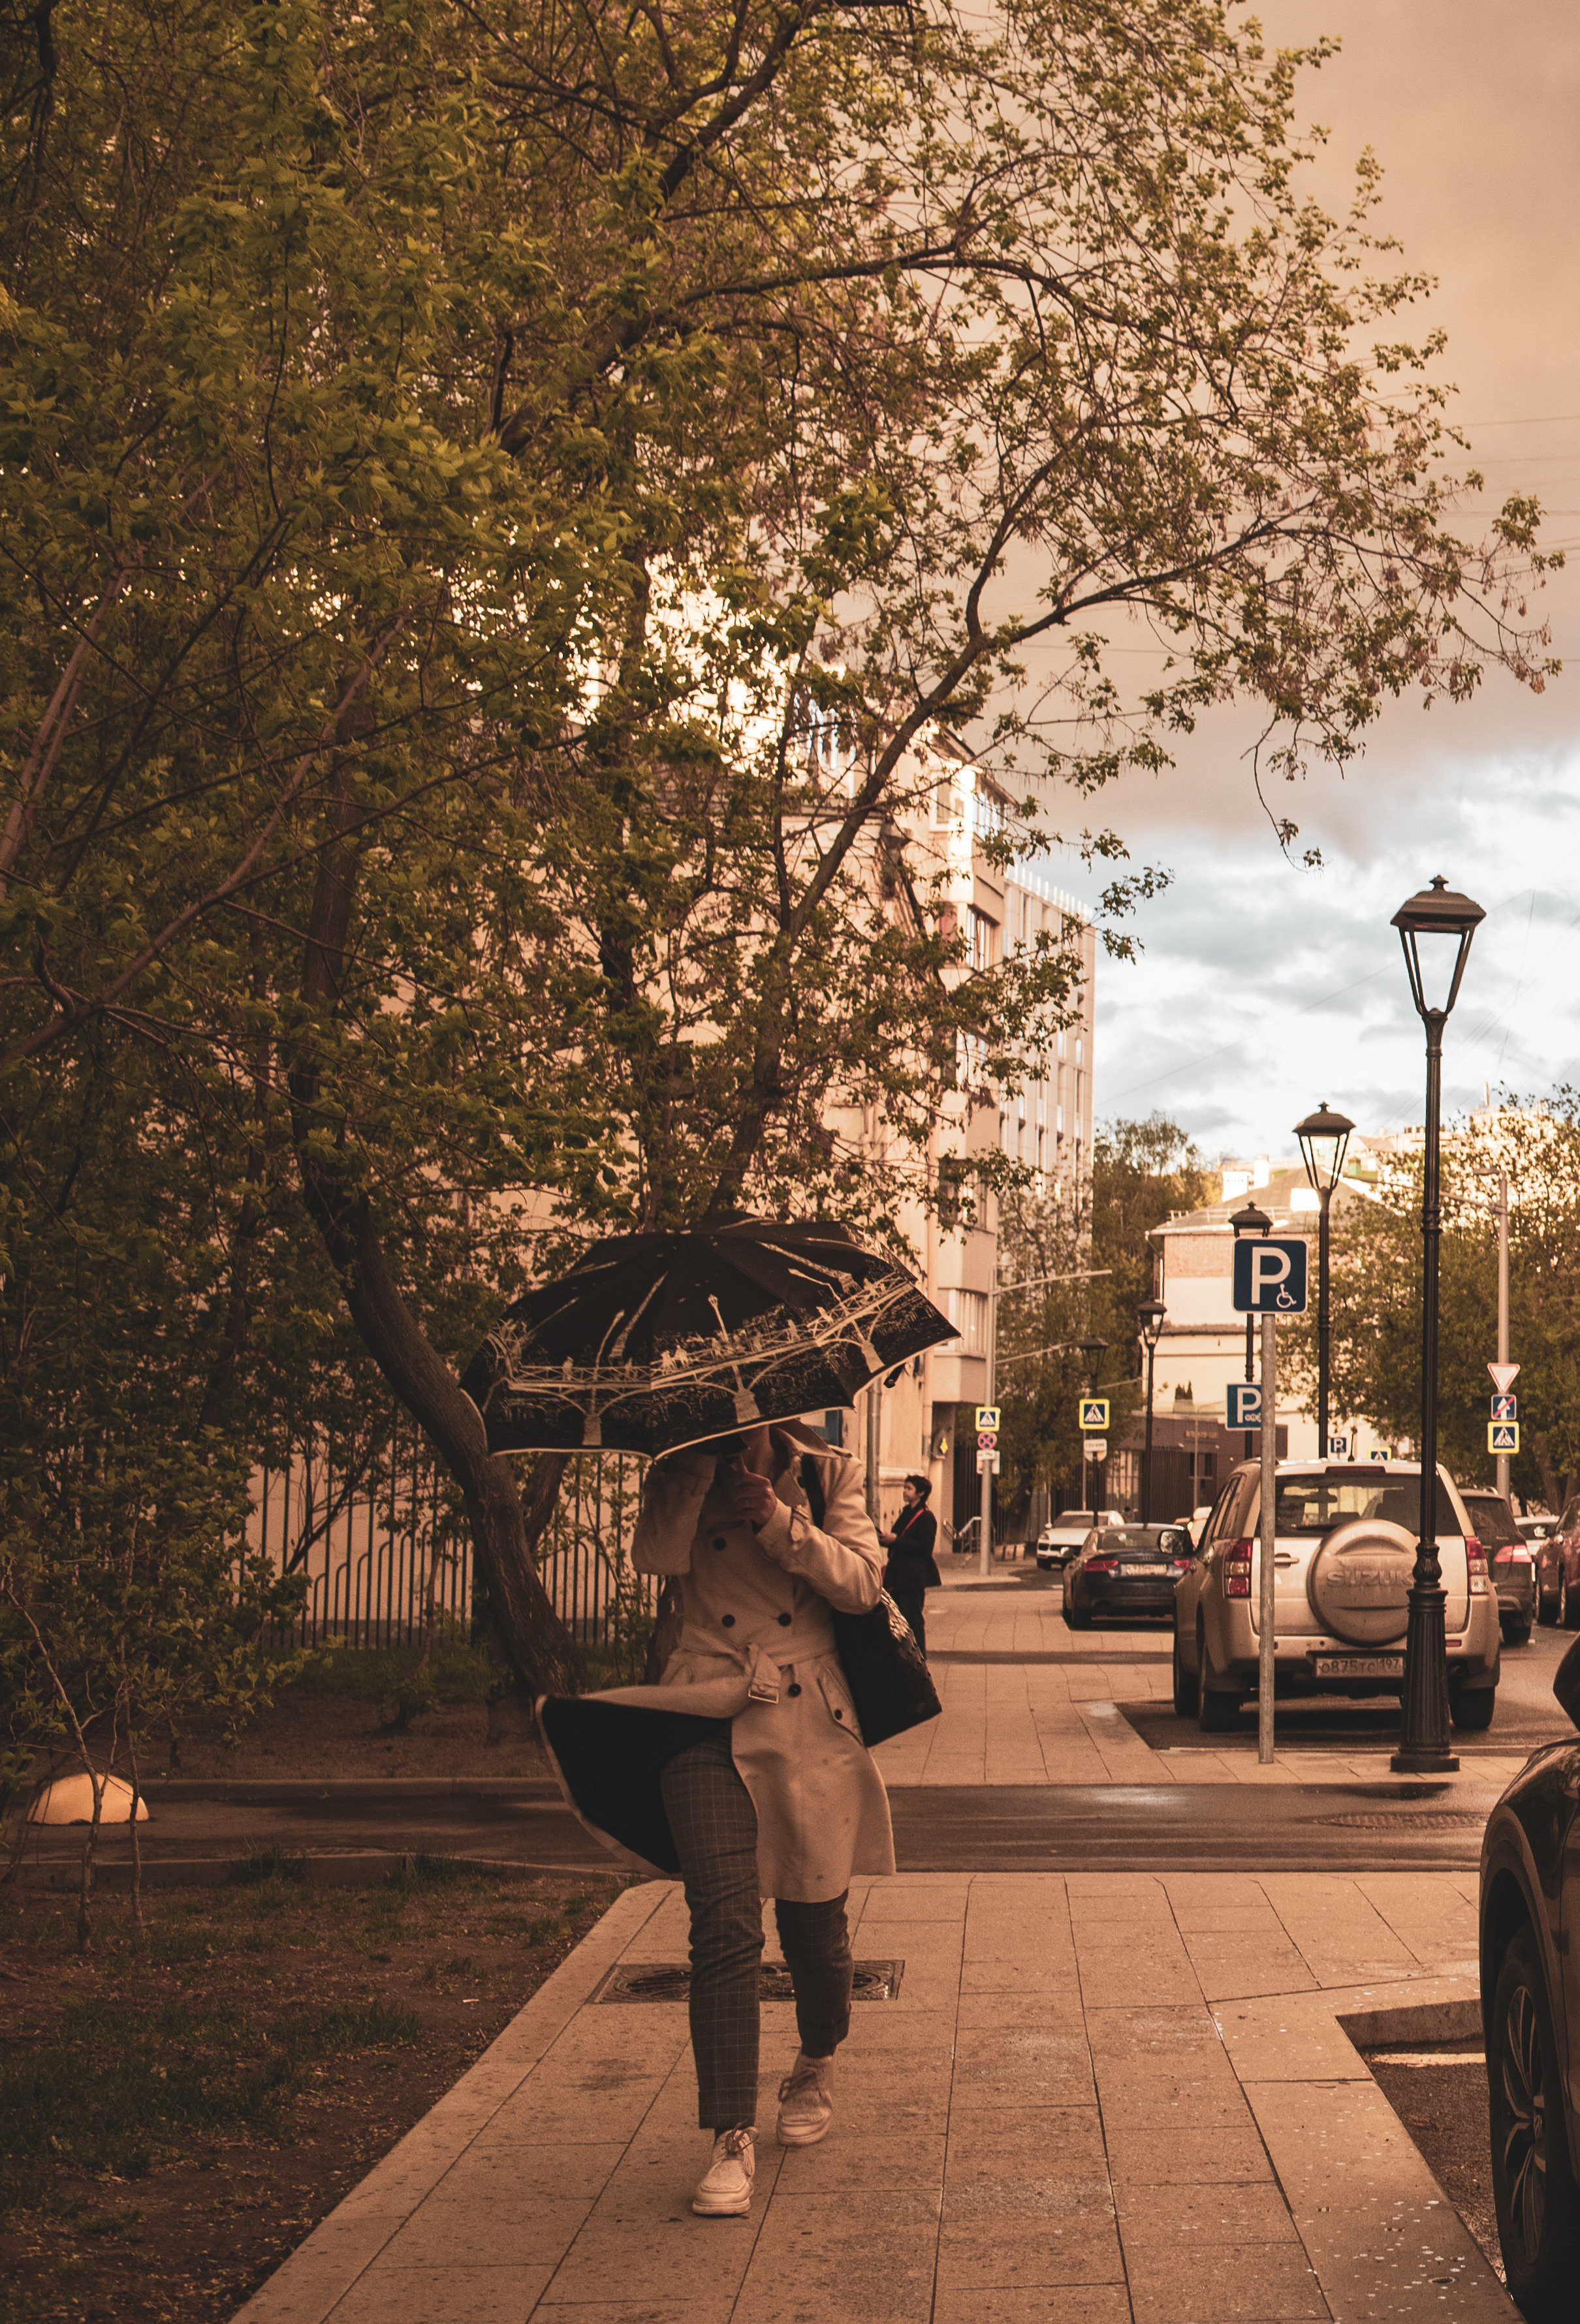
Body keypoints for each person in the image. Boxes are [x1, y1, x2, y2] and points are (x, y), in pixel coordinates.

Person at [618, 1420, 894, 2219]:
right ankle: (730, 2130)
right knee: (723, 1917)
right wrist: (697, 1480)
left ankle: (816, 2056)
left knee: (814, 1923)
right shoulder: (677, 1460)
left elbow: (862, 1585)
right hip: (701, 1700)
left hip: (806, 1706)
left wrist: (776, 1518)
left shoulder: (827, 1469)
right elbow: (654, 1558)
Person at [878, 1472, 941, 1655]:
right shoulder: (906, 1513)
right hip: (898, 1575)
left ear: (920, 1493)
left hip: (914, 1577)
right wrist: (885, 1539)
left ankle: (918, 1654)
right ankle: (903, 1653)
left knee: (912, 1617)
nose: (905, 1491)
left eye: (909, 1488)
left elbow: (924, 1547)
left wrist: (896, 1540)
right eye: (904, 1488)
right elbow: (898, 1538)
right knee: (898, 1617)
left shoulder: (926, 1517)